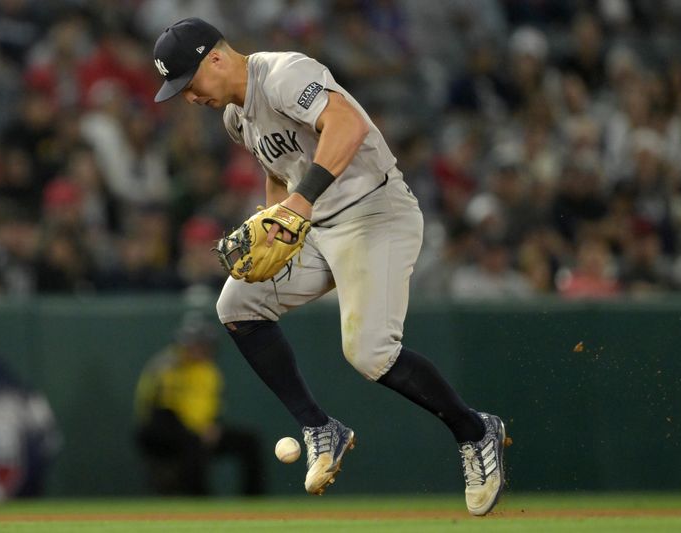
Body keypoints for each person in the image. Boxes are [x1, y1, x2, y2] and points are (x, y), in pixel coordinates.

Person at [152, 18, 509, 515]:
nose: (189, 97)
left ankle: (475, 431)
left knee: (369, 353)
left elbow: (347, 124)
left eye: (188, 83)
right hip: (319, 226)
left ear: (215, 57)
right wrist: (273, 217)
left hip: (376, 211)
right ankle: (320, 428)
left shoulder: (282, 74)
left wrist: (299, 204)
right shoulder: (236, 117)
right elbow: (279, 175)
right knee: (237, 303)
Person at [134, 312, 265, 496]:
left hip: (201, 428)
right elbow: (162, 409)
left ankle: (254, 501)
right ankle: (199, 500)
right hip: (161, 429)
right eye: (195, 344)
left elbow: (211, 407)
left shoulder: (209, 371)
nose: (200, 350)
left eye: (204, 345)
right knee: (191, 442)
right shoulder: (167, 365)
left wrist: (210, 427)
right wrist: (198, 430)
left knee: (249, 442)